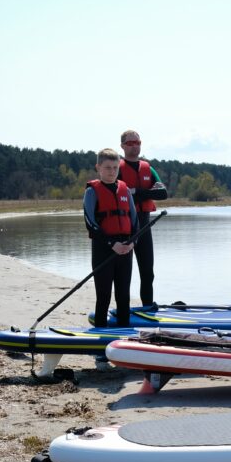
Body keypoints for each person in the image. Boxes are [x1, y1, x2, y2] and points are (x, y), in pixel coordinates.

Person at [83, 148, 138, 329]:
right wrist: (111, 244)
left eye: (115, 167)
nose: (112, 171)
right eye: (107, 167)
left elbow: (134, 220)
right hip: (103, 249)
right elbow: (90, 223)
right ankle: (100, 339)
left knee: (123, 296)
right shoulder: (92, 192)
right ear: (98, 167)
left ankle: (124, 335)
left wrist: (132, 243)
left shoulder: (125, 190)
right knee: (104, 295)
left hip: (125, 249)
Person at [118, 130, 168, 311]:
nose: (135, 146)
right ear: (122, 146)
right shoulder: (117, 168)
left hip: (145, 224)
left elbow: (163, 193)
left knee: (148, 272)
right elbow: (119, 194)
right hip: (124, 227)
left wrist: (137, 192)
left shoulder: (149, 168)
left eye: (137, 142)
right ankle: (123, 310)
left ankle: (147, 308)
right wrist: (145, 193)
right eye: (130, 143)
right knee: (124, 274)